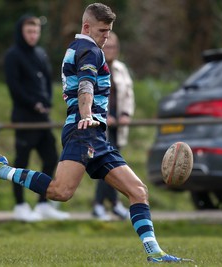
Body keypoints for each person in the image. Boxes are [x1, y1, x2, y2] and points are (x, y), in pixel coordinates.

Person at [0, 3, 191, 263]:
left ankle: (155, 253)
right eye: (102, 30)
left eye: (109, 31)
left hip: (96, 136)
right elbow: (85, 85)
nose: (106, 36)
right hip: (84, 131)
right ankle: (0, 169)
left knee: (138, 191)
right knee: (60, 191)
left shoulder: (78, 48)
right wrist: (87, 114)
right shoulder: (89, 50)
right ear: (86, 27)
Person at [3, 14, 69, 221]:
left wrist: (46, 102)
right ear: (21, 32)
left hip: (43, 119)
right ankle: (20, 205)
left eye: (36, 32)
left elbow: (48, 81)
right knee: (21, 162)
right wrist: (34, 104)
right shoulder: (12, 56)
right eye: (29, 31)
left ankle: (42, 204)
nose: (33, 36)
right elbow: (15, 87)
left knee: (51, 158)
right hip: (24, 118)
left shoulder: (41, 53)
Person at [92, 32, 134, 221]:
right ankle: (99, 205)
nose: (111, 50)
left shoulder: (121, 69)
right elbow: (88, 95)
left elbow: (128, 95)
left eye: (114, 47)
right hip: (100, 126)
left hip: (118, 127)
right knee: (106, 166)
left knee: (115, 166)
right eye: (108, 47)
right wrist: (103, 116)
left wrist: (125, 114)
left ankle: (114, 203)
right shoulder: (93, 67)